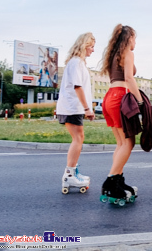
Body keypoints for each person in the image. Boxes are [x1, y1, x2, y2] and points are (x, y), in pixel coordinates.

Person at [99, 24, 142, 203]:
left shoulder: (113, 54)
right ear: (128, 38)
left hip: (109, 97)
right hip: (120, 97)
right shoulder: (127, 53)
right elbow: (129, 78)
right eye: (134, 38)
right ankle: (111, 181)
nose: (135, 41)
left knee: (120, 143)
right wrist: (140, 101)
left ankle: (118, 180)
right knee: (129, 142)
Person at [56, 32, 96, 194]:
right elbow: (77, 87)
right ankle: (69, 174)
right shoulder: (76, 63)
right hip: (72, 107)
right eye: (91, 46)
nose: (93, 50)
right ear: (84, 45)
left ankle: (73, 171)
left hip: (73, 107)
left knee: (78, 139)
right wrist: (87, 109)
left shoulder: (78, 63)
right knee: (77, 139)